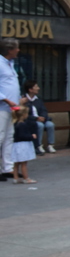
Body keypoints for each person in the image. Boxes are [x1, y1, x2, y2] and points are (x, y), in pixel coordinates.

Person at [0, 38, 20, 180]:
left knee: (8, 137)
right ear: (9, 50)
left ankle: (7, 167)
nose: (18, 50)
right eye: (16, 48)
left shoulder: (9, 64)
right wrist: (6, 99)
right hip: (2, 107)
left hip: (11, 108)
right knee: (0, 136)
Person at [22, 80, 54, 154]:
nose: (38, 88)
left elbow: (44, 110)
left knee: (50, 125)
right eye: (36, 87)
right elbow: (24, 113)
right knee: (39, 125)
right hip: (31, 120)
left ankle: (50, 145)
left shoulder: (38, 99)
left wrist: (43, 117)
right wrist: (36, 118)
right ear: (30, 89)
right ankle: (38, 145)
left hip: (41, 119)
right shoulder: (24, 99)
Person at [10, 106, 36, 183]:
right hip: (23, 145)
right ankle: (26, 178)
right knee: (24, 163)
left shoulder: (15, 124)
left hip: (16, 145)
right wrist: (31, 136)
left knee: (17, 163)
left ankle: (16, 178)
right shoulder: (22, 125)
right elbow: (23, 136)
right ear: (23, 115)